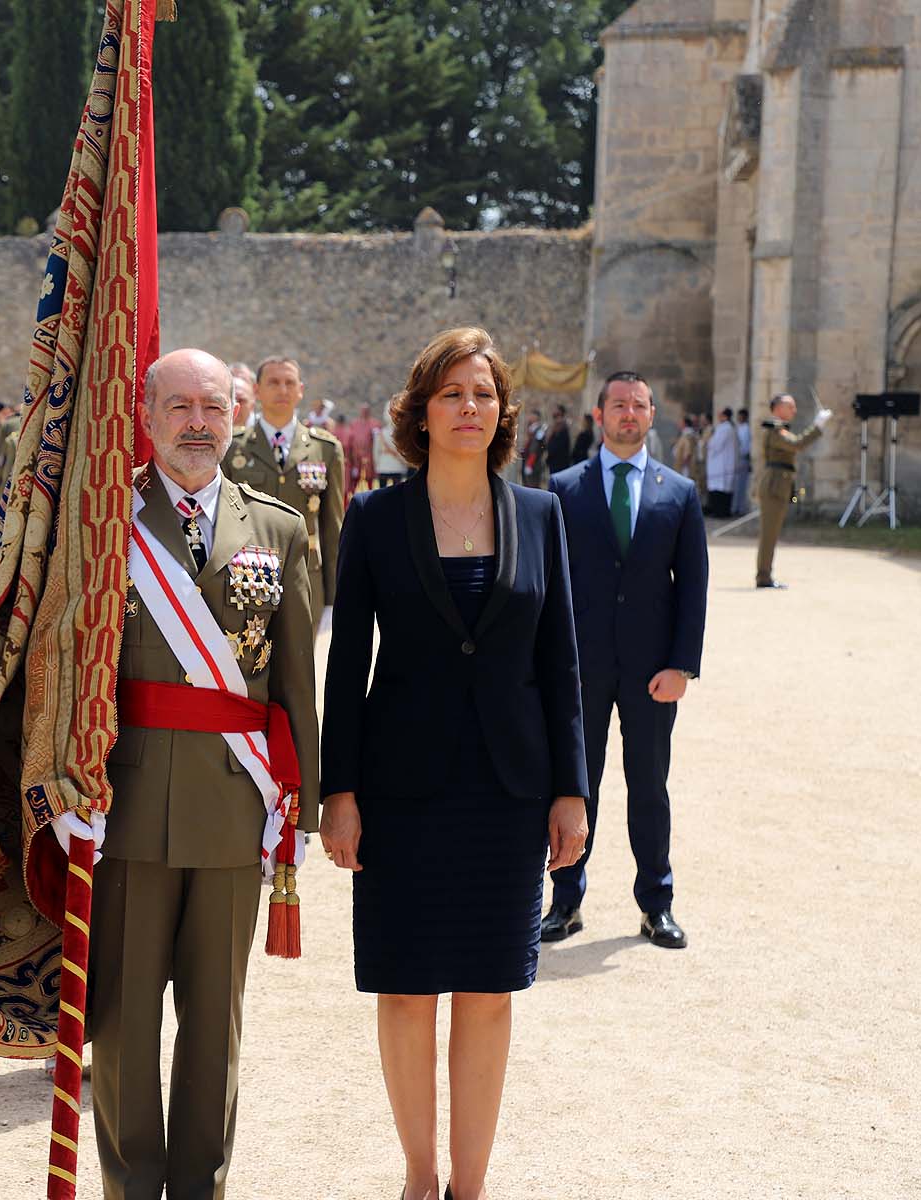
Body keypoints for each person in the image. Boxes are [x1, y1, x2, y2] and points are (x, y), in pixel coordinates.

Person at [318, 327, 588, 1200]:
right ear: (421, 413)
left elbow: (563, 668)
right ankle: (420, 1176)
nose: (469, 408)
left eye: (482, 394)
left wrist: (571, 793)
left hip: (510, 796)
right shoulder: (375, 517)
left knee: (488, 993)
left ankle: (472, 1185)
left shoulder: (542, 515)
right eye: (451, 394)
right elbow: (346, 662)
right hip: (400, 796)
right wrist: (340, 792)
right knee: (404, 992)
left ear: (502, 411)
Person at [89, 347, 319, 1200]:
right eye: (179, 407)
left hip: (236, 804)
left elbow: (295, 682)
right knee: (120, 1025)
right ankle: (132, 1185)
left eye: (214, 408)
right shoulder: (105, 520)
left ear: (236, 416)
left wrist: (305, 805)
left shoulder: (279, 526)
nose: (197, 424)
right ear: (146, 419)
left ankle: (199, 1186)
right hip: (126, 803)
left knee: (215, 1026)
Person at [545, 370, 708, 952]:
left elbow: (692, 587)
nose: (629, 414)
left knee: (649, 787)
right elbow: (549, 582)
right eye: (619, 405)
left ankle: (656, 904)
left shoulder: (679, 492)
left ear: (652, 414)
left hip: (651, 672)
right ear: (599, 414)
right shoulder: (562, 488)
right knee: (573, 787)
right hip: (579, 670)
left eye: (639, 405)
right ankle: (565, 901)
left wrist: (682, 665)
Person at [224, 355, 346, 613]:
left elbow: (332, 528)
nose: (282, 390)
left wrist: (335, 595)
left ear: (301, 390)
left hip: (305, 576)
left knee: (302, 653)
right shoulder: (232, 447)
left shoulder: (325, 449)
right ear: (256, 390)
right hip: (247, 576)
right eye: (274, 382)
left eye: (290, 383)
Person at [755, 392, 833, 589]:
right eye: (790, 406)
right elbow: (796, 444)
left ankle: (765, 574)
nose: (794, 411)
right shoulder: (775, 429)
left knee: (771, 534)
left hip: (779, 484)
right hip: (775, 485)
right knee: (769, 534)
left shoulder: (779, 428)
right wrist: (817, 427)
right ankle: (763, 577)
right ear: (778, 408)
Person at [706, 409, 738, 516]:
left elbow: (716, 445)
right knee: (723, 488)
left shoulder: (724, 428)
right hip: (723, 463)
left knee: (719, 488)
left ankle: (719, 512)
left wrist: (708, 442)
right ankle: (722, 511)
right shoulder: (730, 428)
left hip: (720, 464)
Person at [372, 408, 407, 487]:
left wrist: (377, 465)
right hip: (397, 466)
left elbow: (376, 452)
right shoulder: (401, 434)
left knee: (382, 493)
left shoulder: (381, 433)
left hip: (383, 466)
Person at [731, 408, 753, 515]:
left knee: (742, 486)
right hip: (736, 459)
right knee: (735, 485)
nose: (739, 418)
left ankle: (740, 508)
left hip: (742, 459)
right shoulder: (737, 428)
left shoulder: (747, 429)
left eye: (741, 416)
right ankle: (734, 507)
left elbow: (745, 446)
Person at [545, 406, 572, 474]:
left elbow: (558, 446)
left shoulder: (563, 428)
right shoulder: (555, 428)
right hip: (554, 462)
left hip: (560, 463)